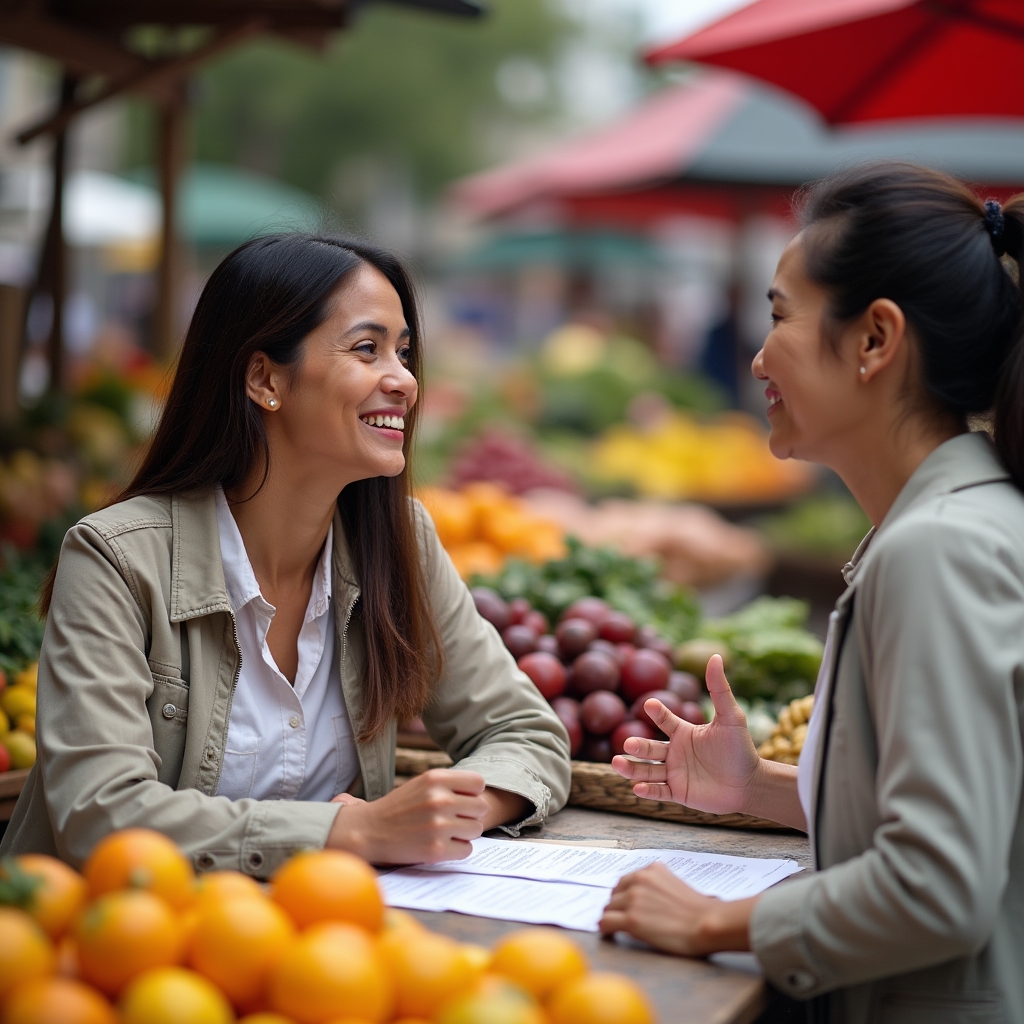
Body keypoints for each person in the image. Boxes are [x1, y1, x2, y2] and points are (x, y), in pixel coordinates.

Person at [1, 234, 571, 876]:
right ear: (265, 378)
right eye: (367, 349)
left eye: (404, 353)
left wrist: (449, 812)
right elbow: (98, 814)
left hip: (309, 948)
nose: (405, 382)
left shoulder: (399, 541)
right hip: (112, 952)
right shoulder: (114, 560)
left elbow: (526, 733)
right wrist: (351, 831)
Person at [600, 164, 1024, 1023]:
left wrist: (714, 922)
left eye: (781, 315)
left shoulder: (939, 550)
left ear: (875, 340)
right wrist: (755, 788)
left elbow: (939, 886)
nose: (758, 356)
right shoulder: (947, 525)